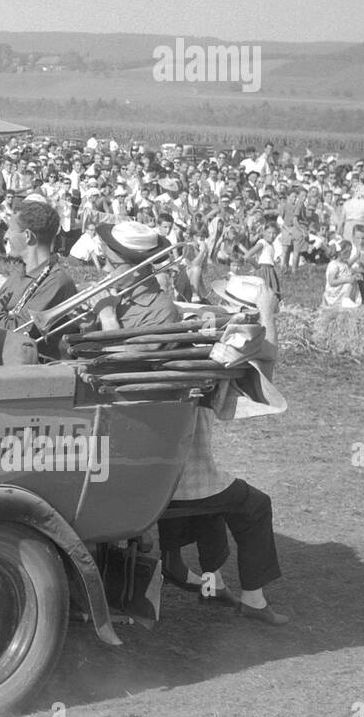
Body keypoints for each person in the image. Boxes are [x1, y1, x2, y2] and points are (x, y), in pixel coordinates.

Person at [92, 228, 289, 626]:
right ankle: (249, 597)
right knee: (251, 505)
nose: (103, 271)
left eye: (112, 265)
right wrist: (266, 314)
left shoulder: (188, 322)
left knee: (214, 508)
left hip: (157, 460)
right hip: (172, 469)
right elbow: (268, 360)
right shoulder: (208, 331)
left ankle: (191, 575)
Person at [0, 200, 78, 350]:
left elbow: (15, 333)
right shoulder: (20, 271)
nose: (7, 235)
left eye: (11, 229)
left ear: (28, 236)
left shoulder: (56, 282)